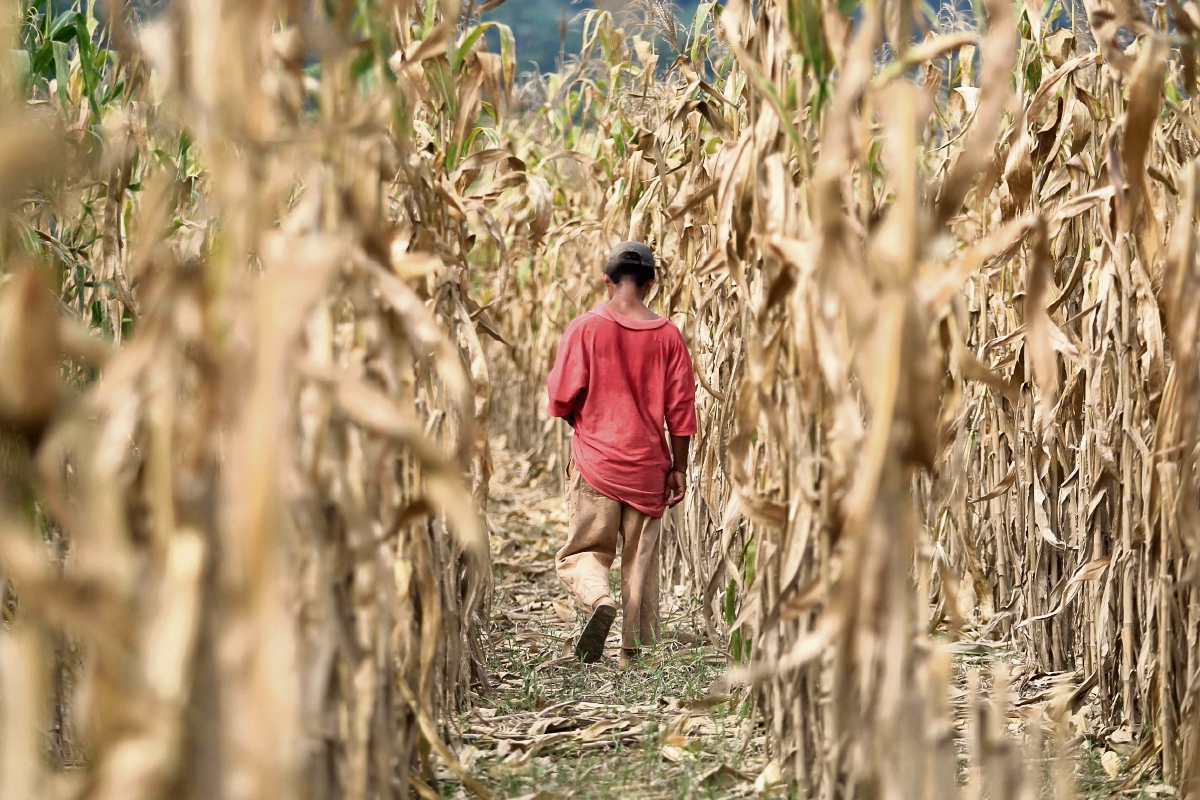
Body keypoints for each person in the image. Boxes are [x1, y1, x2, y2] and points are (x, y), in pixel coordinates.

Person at [545, 241, 697, 667]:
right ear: (651, 283)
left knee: (584, 551)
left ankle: (598, 599)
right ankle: (634, 652)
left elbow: (559, 398)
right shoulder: (668, 336)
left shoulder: (585, 327)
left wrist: (585, 424)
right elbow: (681, 411)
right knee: (639, 564)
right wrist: (678, 468)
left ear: (606, 279)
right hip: (649, 468)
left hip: (596, 464)